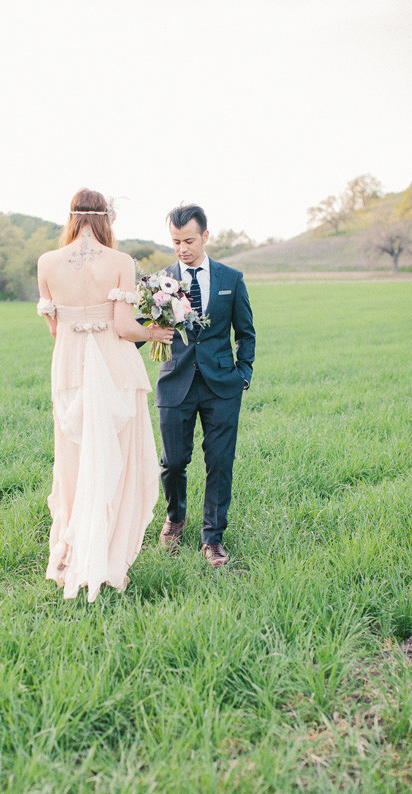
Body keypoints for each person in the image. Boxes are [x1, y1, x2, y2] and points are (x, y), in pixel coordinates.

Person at [37, 188, 173, 602]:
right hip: (114, 369)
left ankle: (72, 554)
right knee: (117, 462)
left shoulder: (47, 262)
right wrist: (155, 332)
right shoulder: (120, 262)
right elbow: (125, 327)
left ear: (71, 217)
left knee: (75, 465)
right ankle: (109, 559)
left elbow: (55, 329)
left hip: (70, 369)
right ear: (106, 218)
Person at [156, 204, 255, 568]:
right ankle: (175, 519)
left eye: (189, 240)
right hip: (175, 382)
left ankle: (213, 538)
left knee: (220, 462)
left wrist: (243, 373)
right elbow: (141, 327)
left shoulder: (231, 278)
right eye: (176, 241)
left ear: (205, 236)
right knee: (173, 462)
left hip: (222, 385)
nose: (182, 248)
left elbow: (245, 332)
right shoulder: (159, 282)